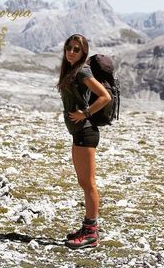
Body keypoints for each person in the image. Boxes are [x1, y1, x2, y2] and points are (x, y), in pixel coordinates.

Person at [57, 34, 111, 249]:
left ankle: (91, 233)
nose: (71, 52)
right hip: (78, 135)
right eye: (68, 47)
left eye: (76, 49)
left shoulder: (82, 71)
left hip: (86, 133)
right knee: (84, 182)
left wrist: (85, 113)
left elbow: (105, 96)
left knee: (88, 184)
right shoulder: (72, 70)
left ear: (84, 52)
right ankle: (87, 227)